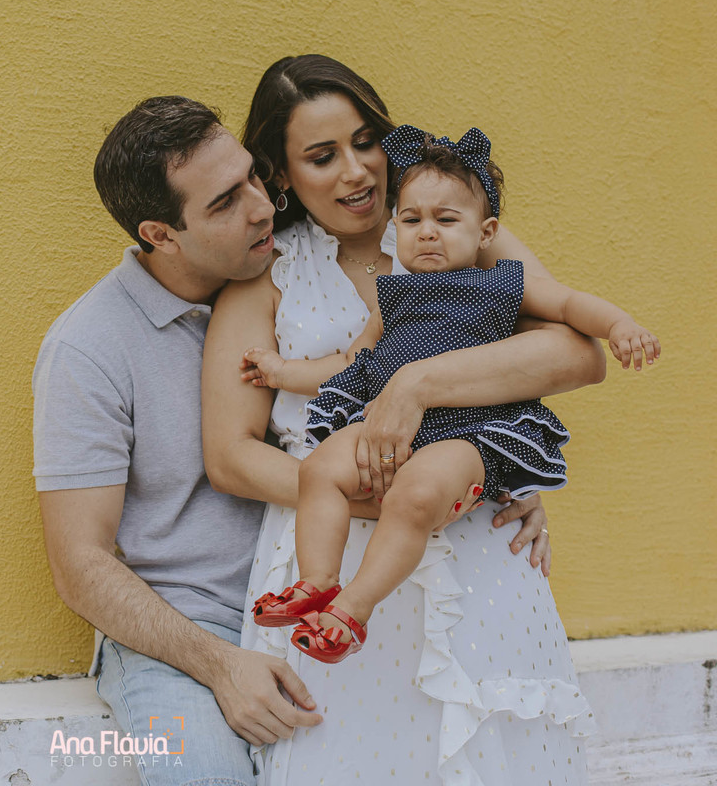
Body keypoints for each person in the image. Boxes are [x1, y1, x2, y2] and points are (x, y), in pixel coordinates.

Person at [201, 55, 605, 784]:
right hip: (332, 544)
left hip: (474, 542)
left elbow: (577, 355)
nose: (357, 171)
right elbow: (230, 455)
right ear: (283, 175)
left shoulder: (451, 227)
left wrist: (424, 390)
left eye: (365, 142)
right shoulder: (267, 275)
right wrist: (358, 494)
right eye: (323, 157)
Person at [243, 125, 659, 665]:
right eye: (412, 220)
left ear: (485, 232)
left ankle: (353, 611)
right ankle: (318, 582)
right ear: (396, 225)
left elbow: (568, 305)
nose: (428, 233)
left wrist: (619, 324)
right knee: (318, 469)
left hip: (469, 433)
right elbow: (347, 364)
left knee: (414, 497)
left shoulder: (502, 283)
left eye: (446, 220)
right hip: (386, 428)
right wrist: (280, 372)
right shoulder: (392, 298)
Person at [33, 95, 322, 786]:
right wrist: (220, 664)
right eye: (225, 201)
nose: (262, 207)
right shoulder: (87, 348)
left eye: (254, 177)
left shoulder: (301, 284)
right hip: (179, 634)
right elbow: (80, 565)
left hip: (310, 602)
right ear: (161, 234)